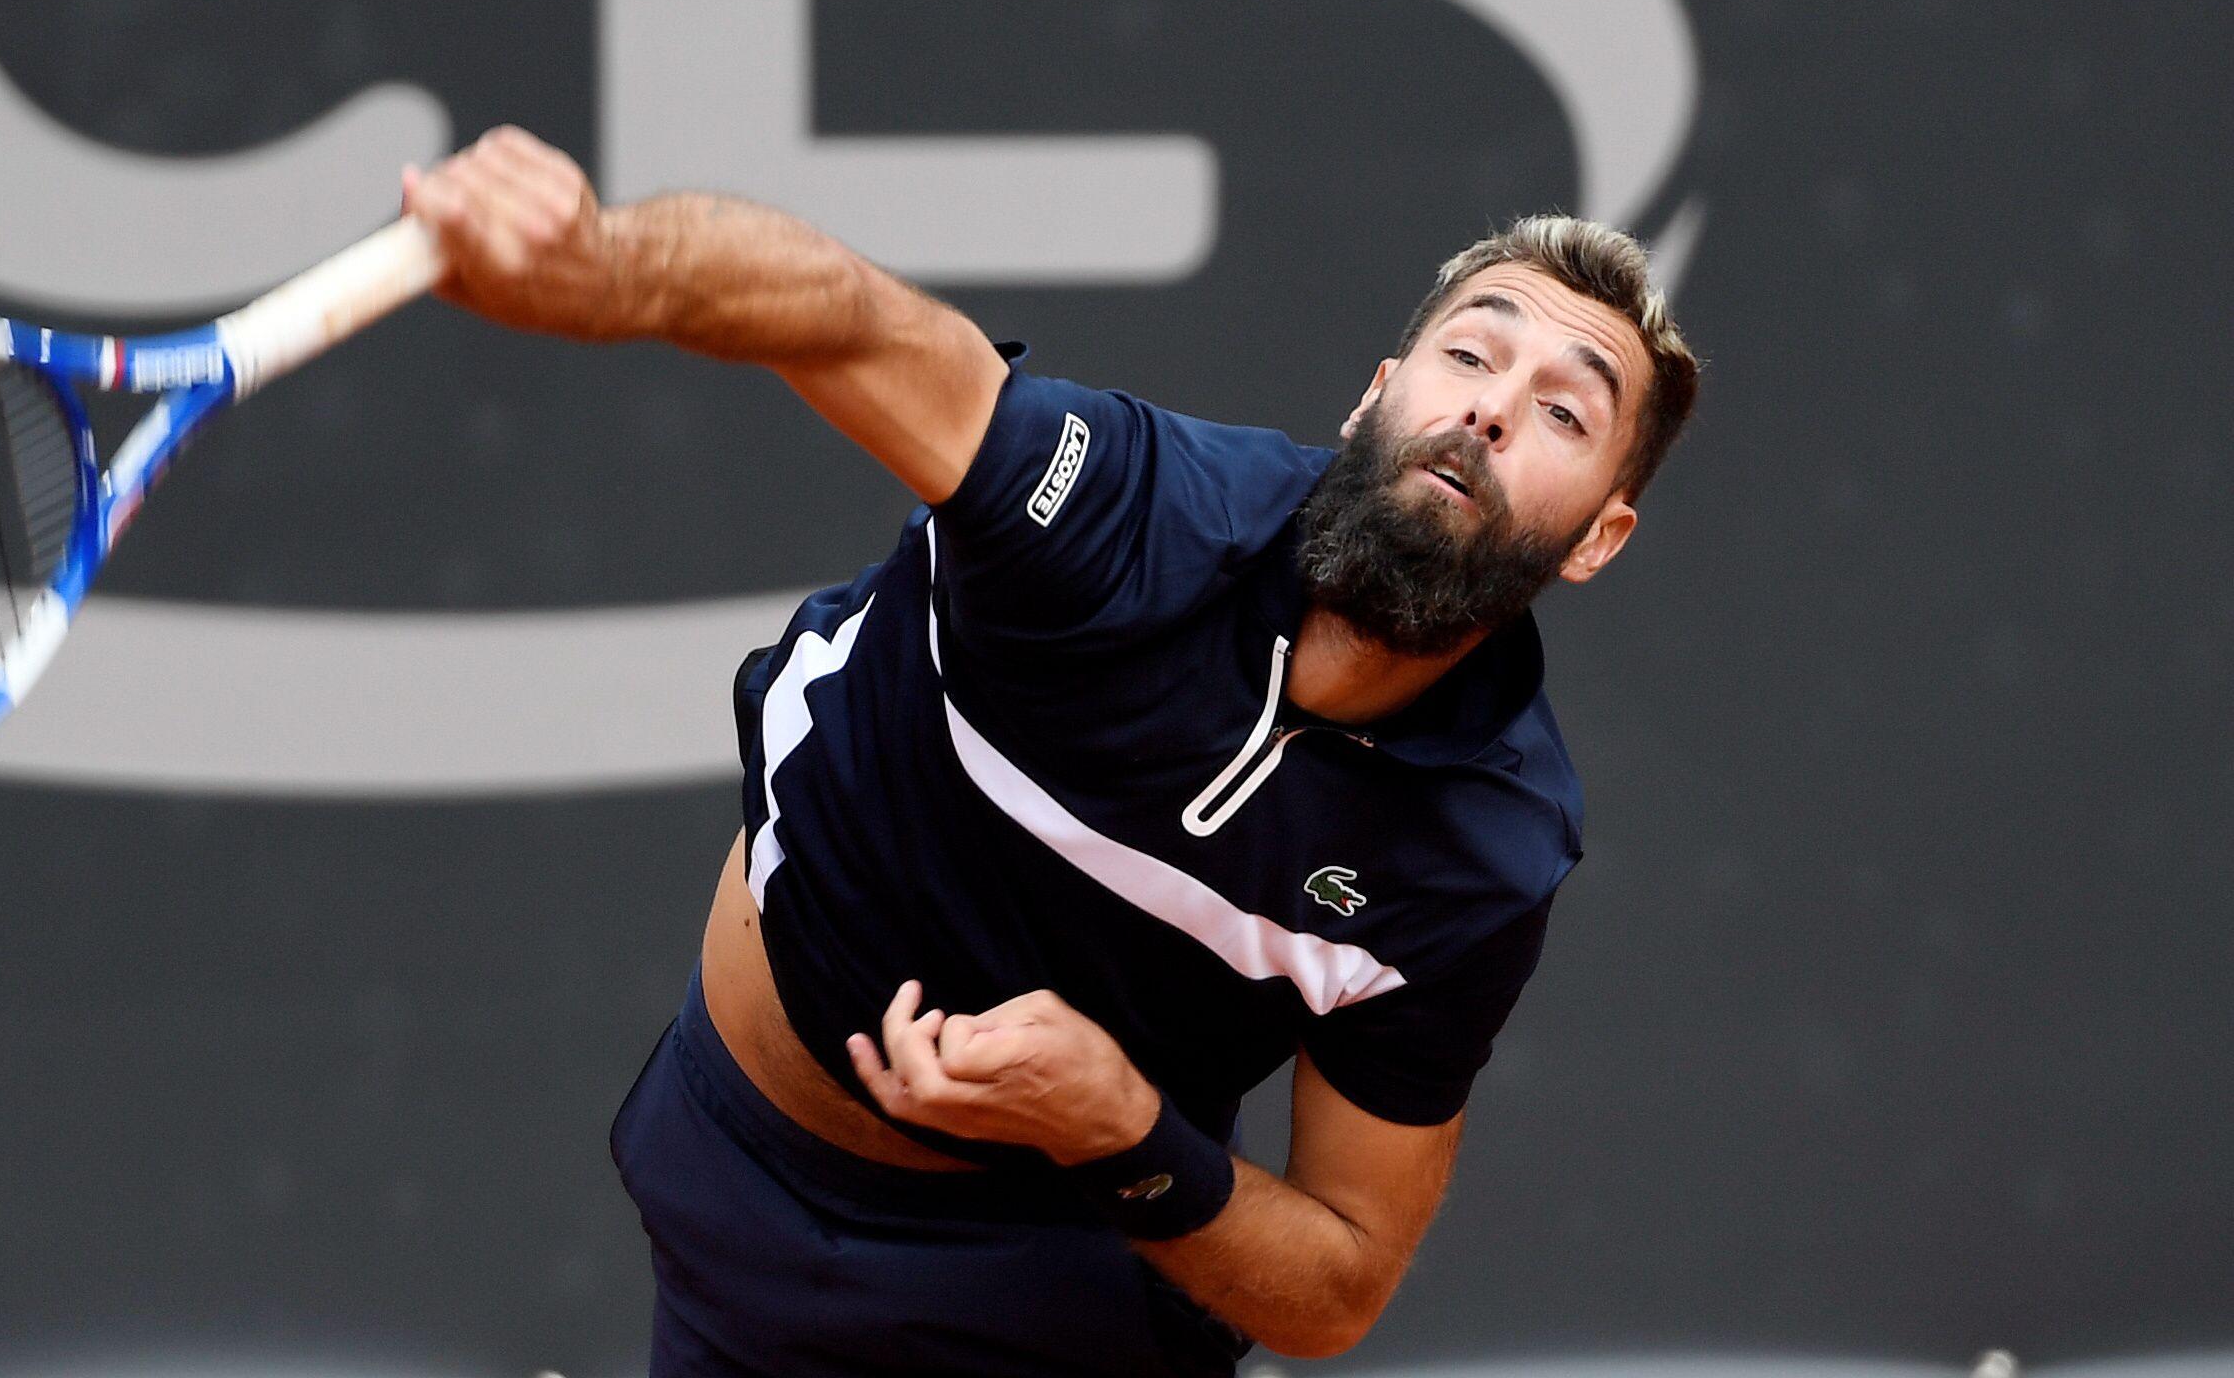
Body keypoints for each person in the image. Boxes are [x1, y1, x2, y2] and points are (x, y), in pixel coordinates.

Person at [401, 126, 1703, 1378]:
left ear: (1600, 536)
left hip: (1078, 1268)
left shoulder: (1487, 846)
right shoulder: (1121, 510)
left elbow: (1342, 1280)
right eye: (1470, 354)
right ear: (1377, 393)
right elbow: (849, 318)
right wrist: (612, 265)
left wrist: (1123, 1133)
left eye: (1564, 413)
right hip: (750, 1182)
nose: (1489, 411)